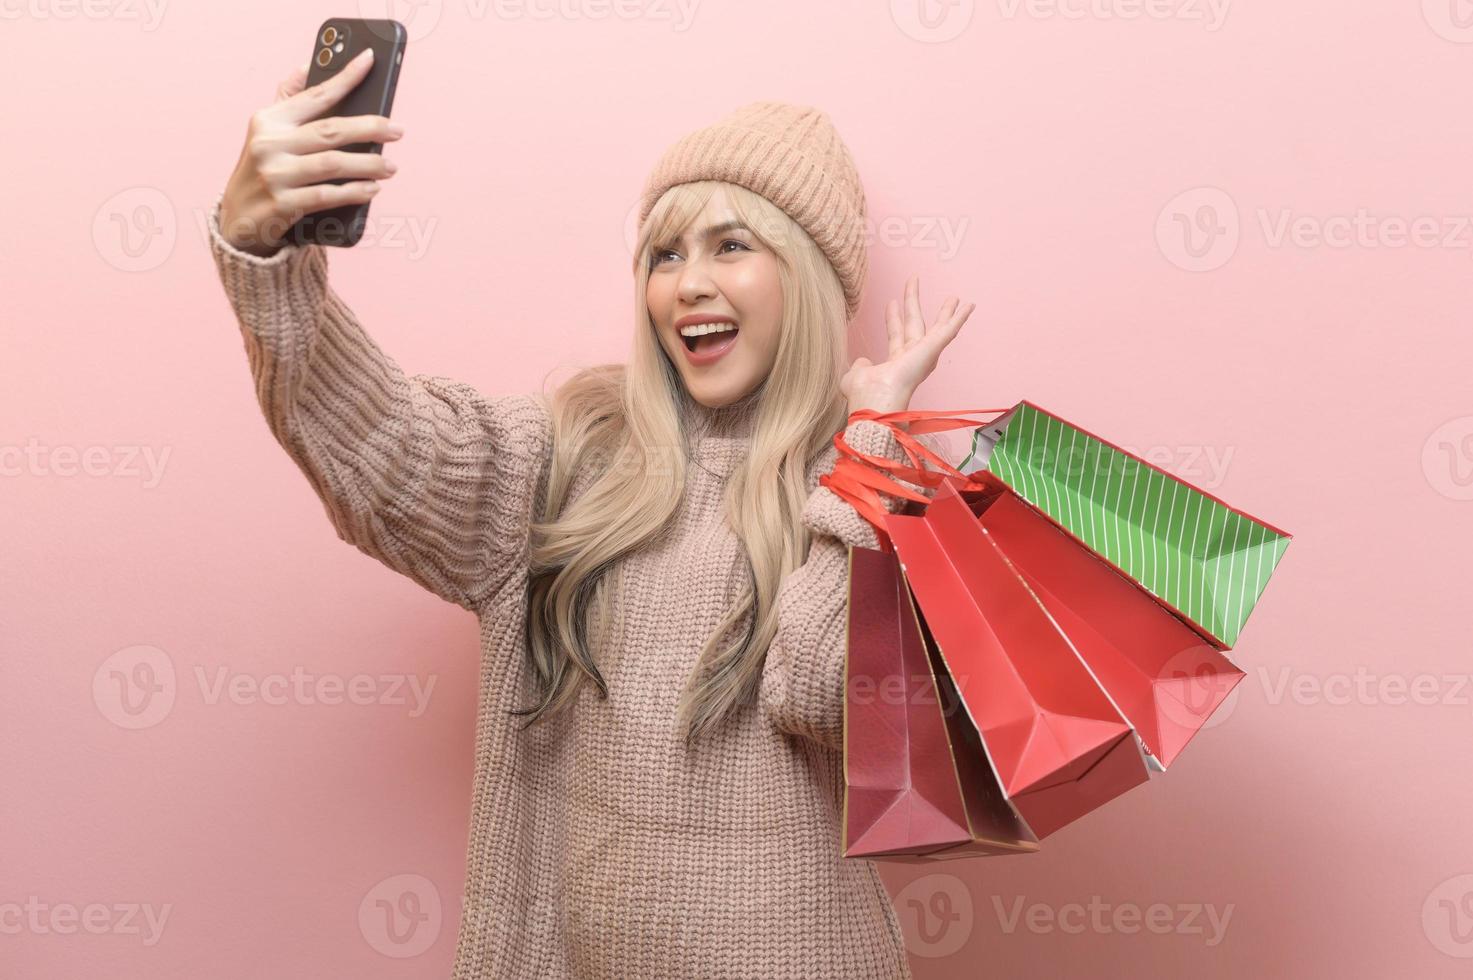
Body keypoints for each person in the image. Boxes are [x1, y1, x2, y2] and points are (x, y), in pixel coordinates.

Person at [209, 51, 975, 980]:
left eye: (731, 245)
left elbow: (820, 695)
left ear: (808, 278)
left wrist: (872, 453)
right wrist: (268, 256)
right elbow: (382, 449)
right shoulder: (569, 457)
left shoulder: (863, 478)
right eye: (663, 252)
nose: (685, 284)